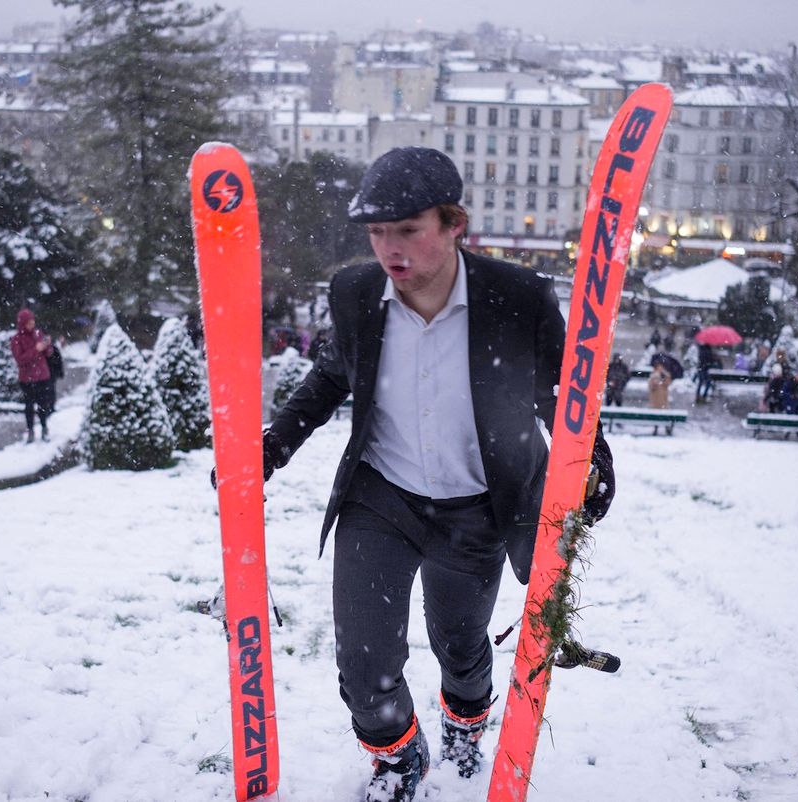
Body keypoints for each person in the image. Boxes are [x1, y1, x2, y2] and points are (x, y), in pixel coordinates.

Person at [253, 147, 615, 801]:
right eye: (376, 232)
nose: (391, 248)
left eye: (408, 229)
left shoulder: (516, 298)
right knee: (364, 662)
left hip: (476, 504)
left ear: (454, 225)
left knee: (460, 645)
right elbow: (336, 372)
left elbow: (563, 391)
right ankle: (396, 760)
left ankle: (464, 730)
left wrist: (594, 460)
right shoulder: (355, 292)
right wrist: (274, 445)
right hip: (381, 497)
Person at [10, 308, 55, 443]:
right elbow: (20, 359)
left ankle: (44, 428)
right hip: (27, 379)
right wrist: (36, 349)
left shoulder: (38, 333)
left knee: (43, 404)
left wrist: (47, 346)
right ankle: (30, 430)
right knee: (29, 406)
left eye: (33, 322)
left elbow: (48, 353)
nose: (32, 325)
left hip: (42, 376)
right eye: (29, 323)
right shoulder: (16, 339)